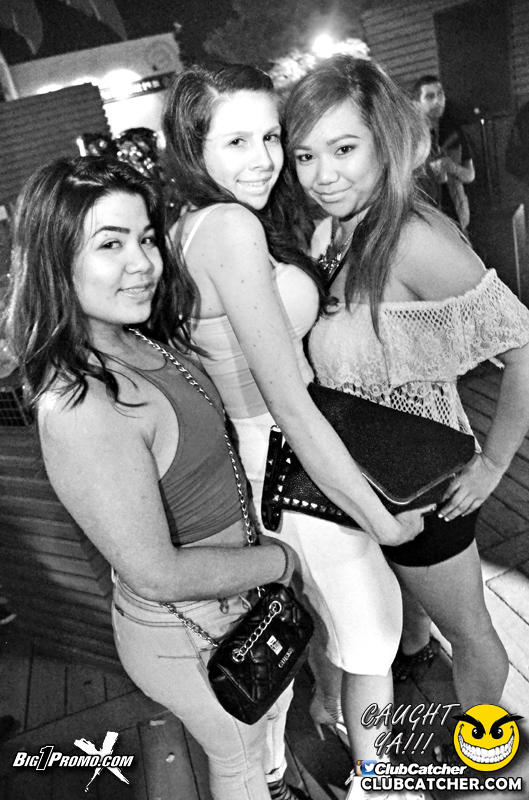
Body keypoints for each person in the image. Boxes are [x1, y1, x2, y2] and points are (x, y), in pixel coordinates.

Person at [162, 63, 430, 800]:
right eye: (235, 141)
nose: (263, 159)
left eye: (270, 137)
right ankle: (378, 784)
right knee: (370, 632)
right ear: (193, 146)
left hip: (260, 463)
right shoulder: (229, 228)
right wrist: (381, 518)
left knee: (312, 623)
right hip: (289, 458)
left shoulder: (191, 225)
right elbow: (290, 403)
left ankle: (289, 764)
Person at [3, 155, 308, 800]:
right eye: (110, 244)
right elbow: (156, 573)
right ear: (55, 261)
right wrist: (280, 562)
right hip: (186, 623)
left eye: (145, 238)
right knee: (238, 758)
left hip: (233, 592)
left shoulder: (138, 339)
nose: (143, 263)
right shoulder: (81, 404)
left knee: (264, 730)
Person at [285, 54, 529, 782]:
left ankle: (487, 760)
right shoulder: (338, 230)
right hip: (365, 476)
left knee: (472, 631)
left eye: (343, 148)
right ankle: (418, 663)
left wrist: (493, 464)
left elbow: (523, 347)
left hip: (422, 482)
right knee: (405, 615)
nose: (322, 174)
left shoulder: (413, 237)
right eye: (305, 155)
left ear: (384, 142)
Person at [411, 74, 475, 233]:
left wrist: (453, 168)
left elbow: (470, 175)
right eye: (430, 96)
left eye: (440, 94)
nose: (437, 101)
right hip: (426, 220)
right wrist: (429, 171)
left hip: (457, 216)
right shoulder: (410, 139)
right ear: (416, 104)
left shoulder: (454, 132)